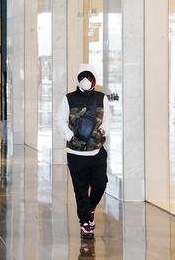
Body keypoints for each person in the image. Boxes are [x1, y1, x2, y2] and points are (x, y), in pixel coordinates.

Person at [54, 64, 111, 239]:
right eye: (82, 77)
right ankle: (85, 221)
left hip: (97, 151)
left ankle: (90, 208)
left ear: (94, 79)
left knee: (100, 184)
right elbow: (59, 119)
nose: (85, 80)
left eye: (89, 77)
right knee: (80, 189)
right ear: (77, 79)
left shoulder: (101, 97)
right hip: (75, 153)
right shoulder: (68, 98)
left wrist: (103, 132)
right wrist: (69, 135)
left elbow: (108, 119)